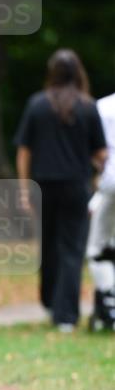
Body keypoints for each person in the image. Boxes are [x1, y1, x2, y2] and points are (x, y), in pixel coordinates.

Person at [15, 49, 107, 331]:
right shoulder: (87, 107)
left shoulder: (36, 105)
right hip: (75, 186)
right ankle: (66, 316)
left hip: (43, 185)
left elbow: (24, 150)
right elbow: (101, 154)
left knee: (49, 245)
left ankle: (50, 300)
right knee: (71, 249)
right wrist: (96, 175)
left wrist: (23, 187)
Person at [86, 92, 115, 330]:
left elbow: (98, 152)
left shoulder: (103, 106)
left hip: (110, 184)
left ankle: (108, 302)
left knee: (97, 248)